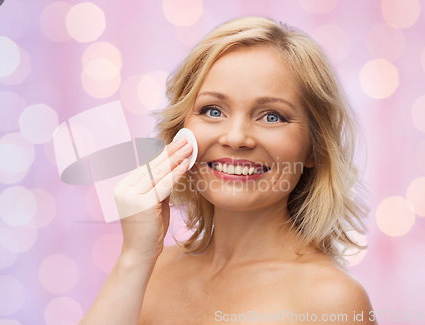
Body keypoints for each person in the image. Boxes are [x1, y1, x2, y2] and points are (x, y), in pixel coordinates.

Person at [80, 16, 377, 325]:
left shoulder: (331, 300)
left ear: (314, 148)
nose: (235, 138)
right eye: (213, 110)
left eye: (272, 116)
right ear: (180, 131)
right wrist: (134, 257)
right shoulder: (147, 270)